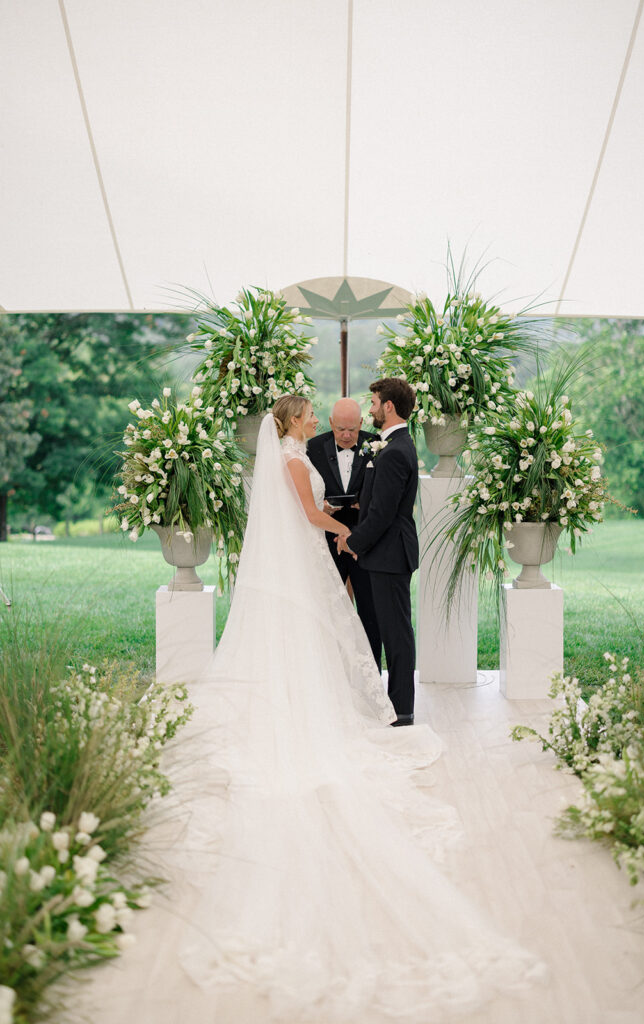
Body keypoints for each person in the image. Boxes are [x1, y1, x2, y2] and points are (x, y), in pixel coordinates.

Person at [79, 394, 544, 1024]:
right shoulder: (297, 462)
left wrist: (342, 527)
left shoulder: (296, 456)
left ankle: (329, 703)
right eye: (311, 415)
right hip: (308, 561)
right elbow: (308, 512)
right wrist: (345, 531)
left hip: (303, 565)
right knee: (311, 642)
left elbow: (309, 509)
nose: (323, 424)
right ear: (293, 422)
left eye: (341, 420)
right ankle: (306, 713)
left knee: (319, 641)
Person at [338, 378, 419, 727]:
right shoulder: (390, 445)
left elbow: (384, 514)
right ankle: (390, 703)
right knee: (389, 630)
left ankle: (402, 709)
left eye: (373, 403)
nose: (369, 409)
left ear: (388, 406)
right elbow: (378, 502)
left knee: (396, 634)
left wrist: (352, 542)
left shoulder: (396, 450)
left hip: (390, 554)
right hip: (384, 553)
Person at [306, 397, 382, 668]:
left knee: (371, 612)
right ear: (330, 424)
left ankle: (373, 676)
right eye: (340, 429)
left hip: (366, 541)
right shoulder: (313, 447)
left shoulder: (376, 443)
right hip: (326, 541)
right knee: (327, 611)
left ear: (361, 423)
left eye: (352, 429)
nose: (347, 435)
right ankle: (331, 673)